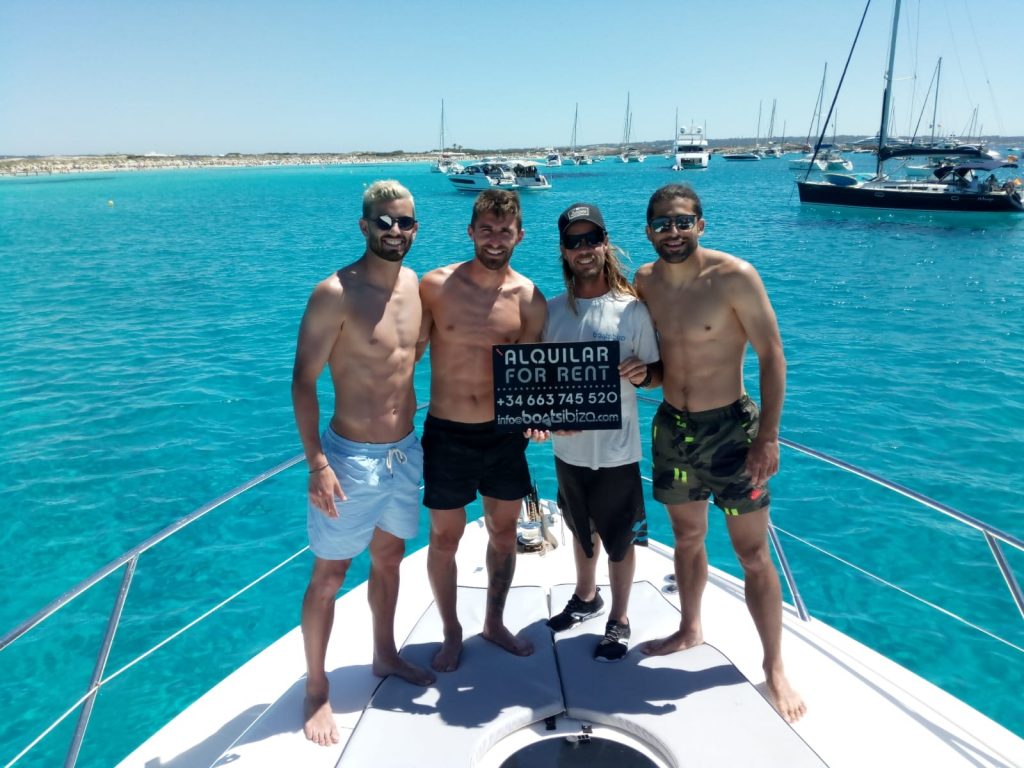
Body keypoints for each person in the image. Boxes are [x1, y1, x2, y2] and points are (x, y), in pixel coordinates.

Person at [633, 183, 807, 723]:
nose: (673, 232)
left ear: (701, 224)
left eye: (683, 222)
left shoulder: (735, 276)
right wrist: (647, 375)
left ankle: (774, 666)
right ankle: (690, 627)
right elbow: (659, 360)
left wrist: (769, 436)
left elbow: (772, 357)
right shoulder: (644, 282)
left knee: (753, 553)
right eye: (662, 224)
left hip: (733, 432)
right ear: (649, 231)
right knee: (687, 537)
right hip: (673, 429)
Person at [292, 180, 435, 747]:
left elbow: (412, 355)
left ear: (415, 228)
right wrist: (317, 464)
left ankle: (385, 654)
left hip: (406, 453)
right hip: (349, 460)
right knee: (329, 575)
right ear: (364, 226)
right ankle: (317, 687)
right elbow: (303, 382)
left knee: (390, 559)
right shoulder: (335, 292)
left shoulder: (417, 287)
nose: (395, 231)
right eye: (384, 222)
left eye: (404, 222)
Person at [418, 188, 547, 673]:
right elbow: (402, 350)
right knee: (444, 539)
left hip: (503, 435)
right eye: (487, 230)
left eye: (505, 231)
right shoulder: (435, 285)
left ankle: (493, 622)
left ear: (519, 235)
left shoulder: (530, 299)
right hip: (447, 433)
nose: (496, 240)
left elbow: (533, 374)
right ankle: (452, 631)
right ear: (471, 232)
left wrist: (537, 416)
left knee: (505, 532)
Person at [543, 202, 661, 662]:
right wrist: (539, 420)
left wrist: (641, 373)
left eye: (592, 238)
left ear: (605, 243)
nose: (584, 248)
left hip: (617, 450)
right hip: (567, 447)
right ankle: (586, 597)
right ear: (564, 251)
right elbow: (540, 383)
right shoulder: (551, 312)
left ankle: (620, 617)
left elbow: (657, 374)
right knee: (578, 528)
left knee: (619, 538)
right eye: (574, 241)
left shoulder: (632, 310)